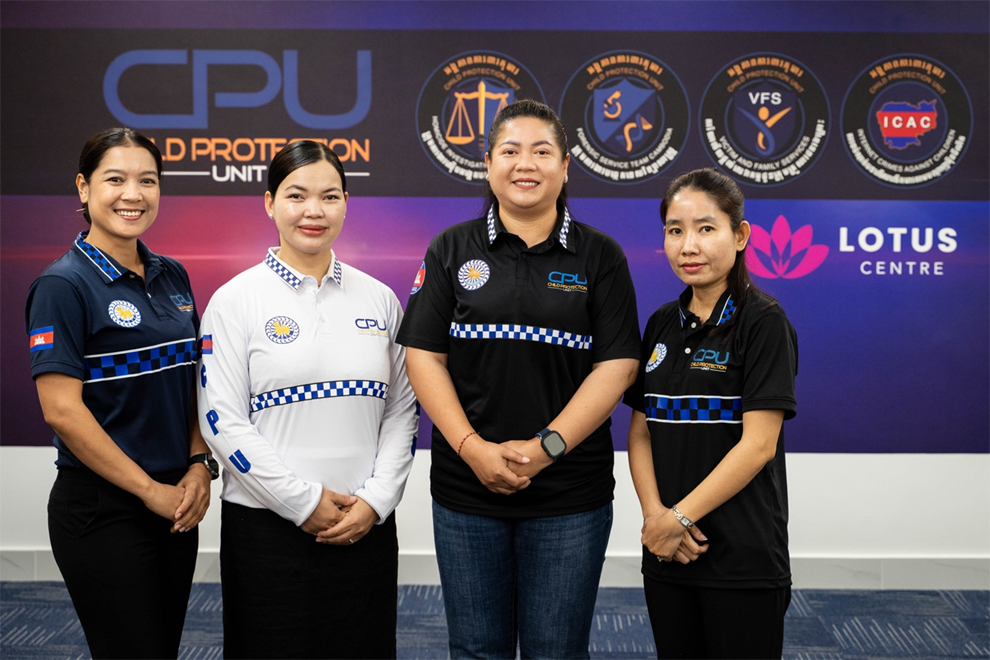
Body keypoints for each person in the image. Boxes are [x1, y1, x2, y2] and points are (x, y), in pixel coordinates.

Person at [397, 99, 641, 659]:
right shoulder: (451, 249)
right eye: (509, 150)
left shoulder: (599, 256)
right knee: (477, 649)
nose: (524, 163)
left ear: (565, 165)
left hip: (568, 495)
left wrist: (546, 448)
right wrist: (471, 449)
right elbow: (423, 356)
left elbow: (617, 365)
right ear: (487, 164)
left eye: (541, 151)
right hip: (466, 491)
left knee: (556, 650)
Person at [197, 140, 418, 659]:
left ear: (346, 203)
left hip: (364, 526)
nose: (314, 211)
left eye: (330, 196)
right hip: (266, 531)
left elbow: (402, 411)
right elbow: (220, 421)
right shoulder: (235, 300)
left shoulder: (380, 299)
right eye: (297, 195)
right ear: (270, 202)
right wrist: (302, 502)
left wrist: (377, 501)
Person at [25, 128, 214, 659]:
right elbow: (61, 410)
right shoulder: (62, 285)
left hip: (174, 502)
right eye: (115, 179)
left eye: (147, 181)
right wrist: (148, 490)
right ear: (83, 189)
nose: (133, 194)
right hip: (103, 509)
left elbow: (193, 381)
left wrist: (199, 465)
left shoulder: (171, 275)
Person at [624, 168, 798, 659]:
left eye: (706, 228)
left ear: (739, 235)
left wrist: (678, 517)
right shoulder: (661, 322)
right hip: (668, 552)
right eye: (675, 230)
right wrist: (656, 517)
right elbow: (640, 433)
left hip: (742, 558)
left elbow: (759, 445)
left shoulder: (763, 322)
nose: (689, 245)